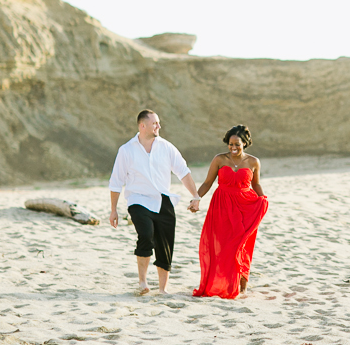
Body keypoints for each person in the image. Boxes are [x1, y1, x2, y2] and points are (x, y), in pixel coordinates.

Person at [108, 110, 201, 295]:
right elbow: (116, 181)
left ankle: (162, 288)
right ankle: (142, 282)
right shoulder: (126, 150)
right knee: (146, 235)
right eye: (155, 123)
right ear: (142, 126)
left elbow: (183, 172)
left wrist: (196, 196)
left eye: (158, 123)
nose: (159, 126)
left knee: (165, 244)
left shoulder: (166, 147)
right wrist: (113, 210)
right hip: (138, 200)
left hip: (163, 200)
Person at [193, 124, 269, 299]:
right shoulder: (219, 160)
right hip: (221, 207)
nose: (233, 148)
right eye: (230, 144)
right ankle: (223, 283)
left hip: (245, 207)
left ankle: (242, 287)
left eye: (237, 144)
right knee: (223, 246)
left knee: (241, 245)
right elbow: (207, 182)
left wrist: (263, 199)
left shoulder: (253, 162)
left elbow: (255, 184)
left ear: (245, 144)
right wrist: (196, 198)